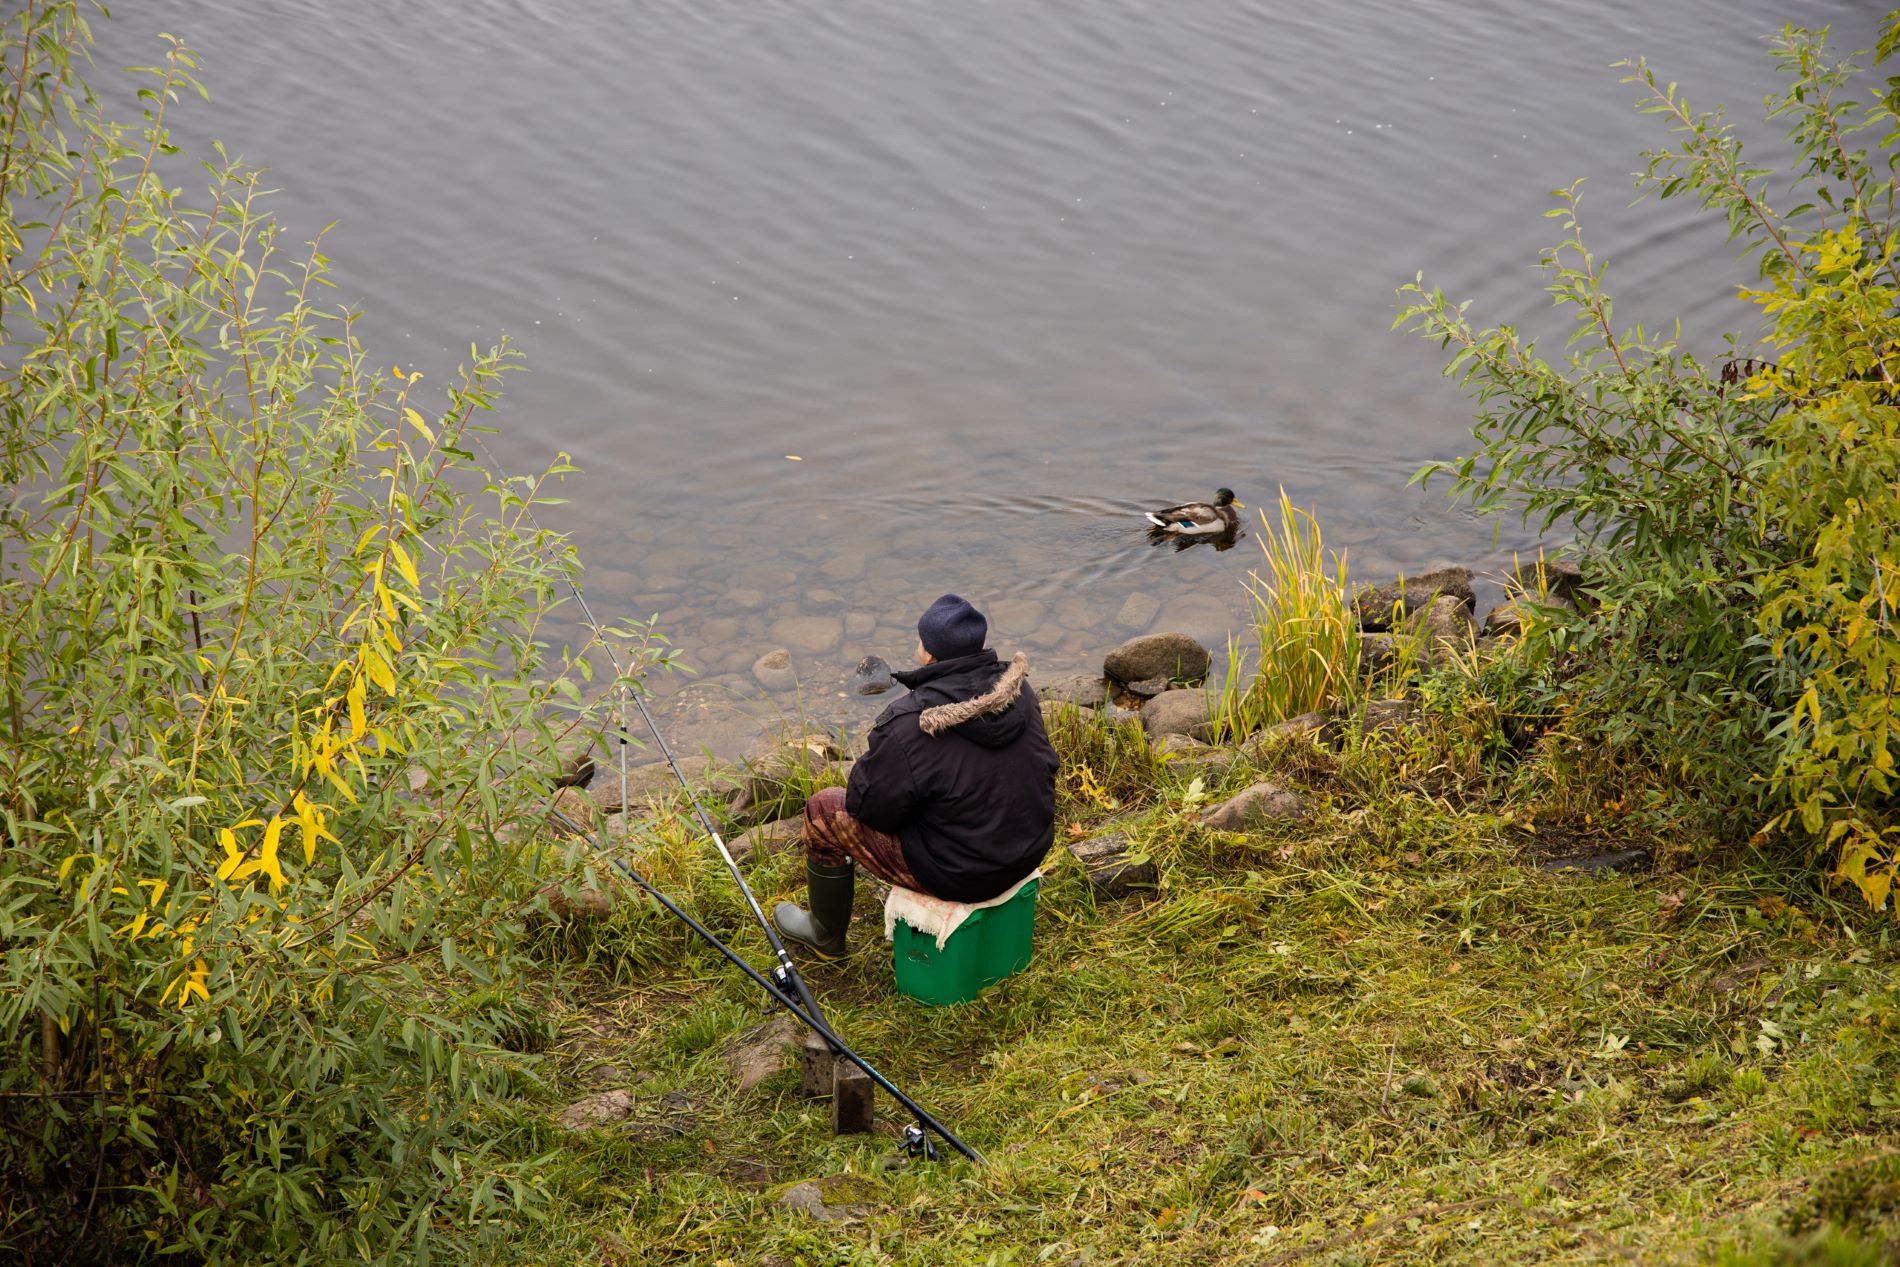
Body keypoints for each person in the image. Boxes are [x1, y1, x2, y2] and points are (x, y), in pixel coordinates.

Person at [772, 594, 1059, 957]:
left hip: (961, 874)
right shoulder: (1018, 690)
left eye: (920, 640)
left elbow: (868, 810)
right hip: (1027, 849)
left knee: (824, 811)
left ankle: (824, 933)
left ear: (930, 655)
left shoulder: (910, 726)